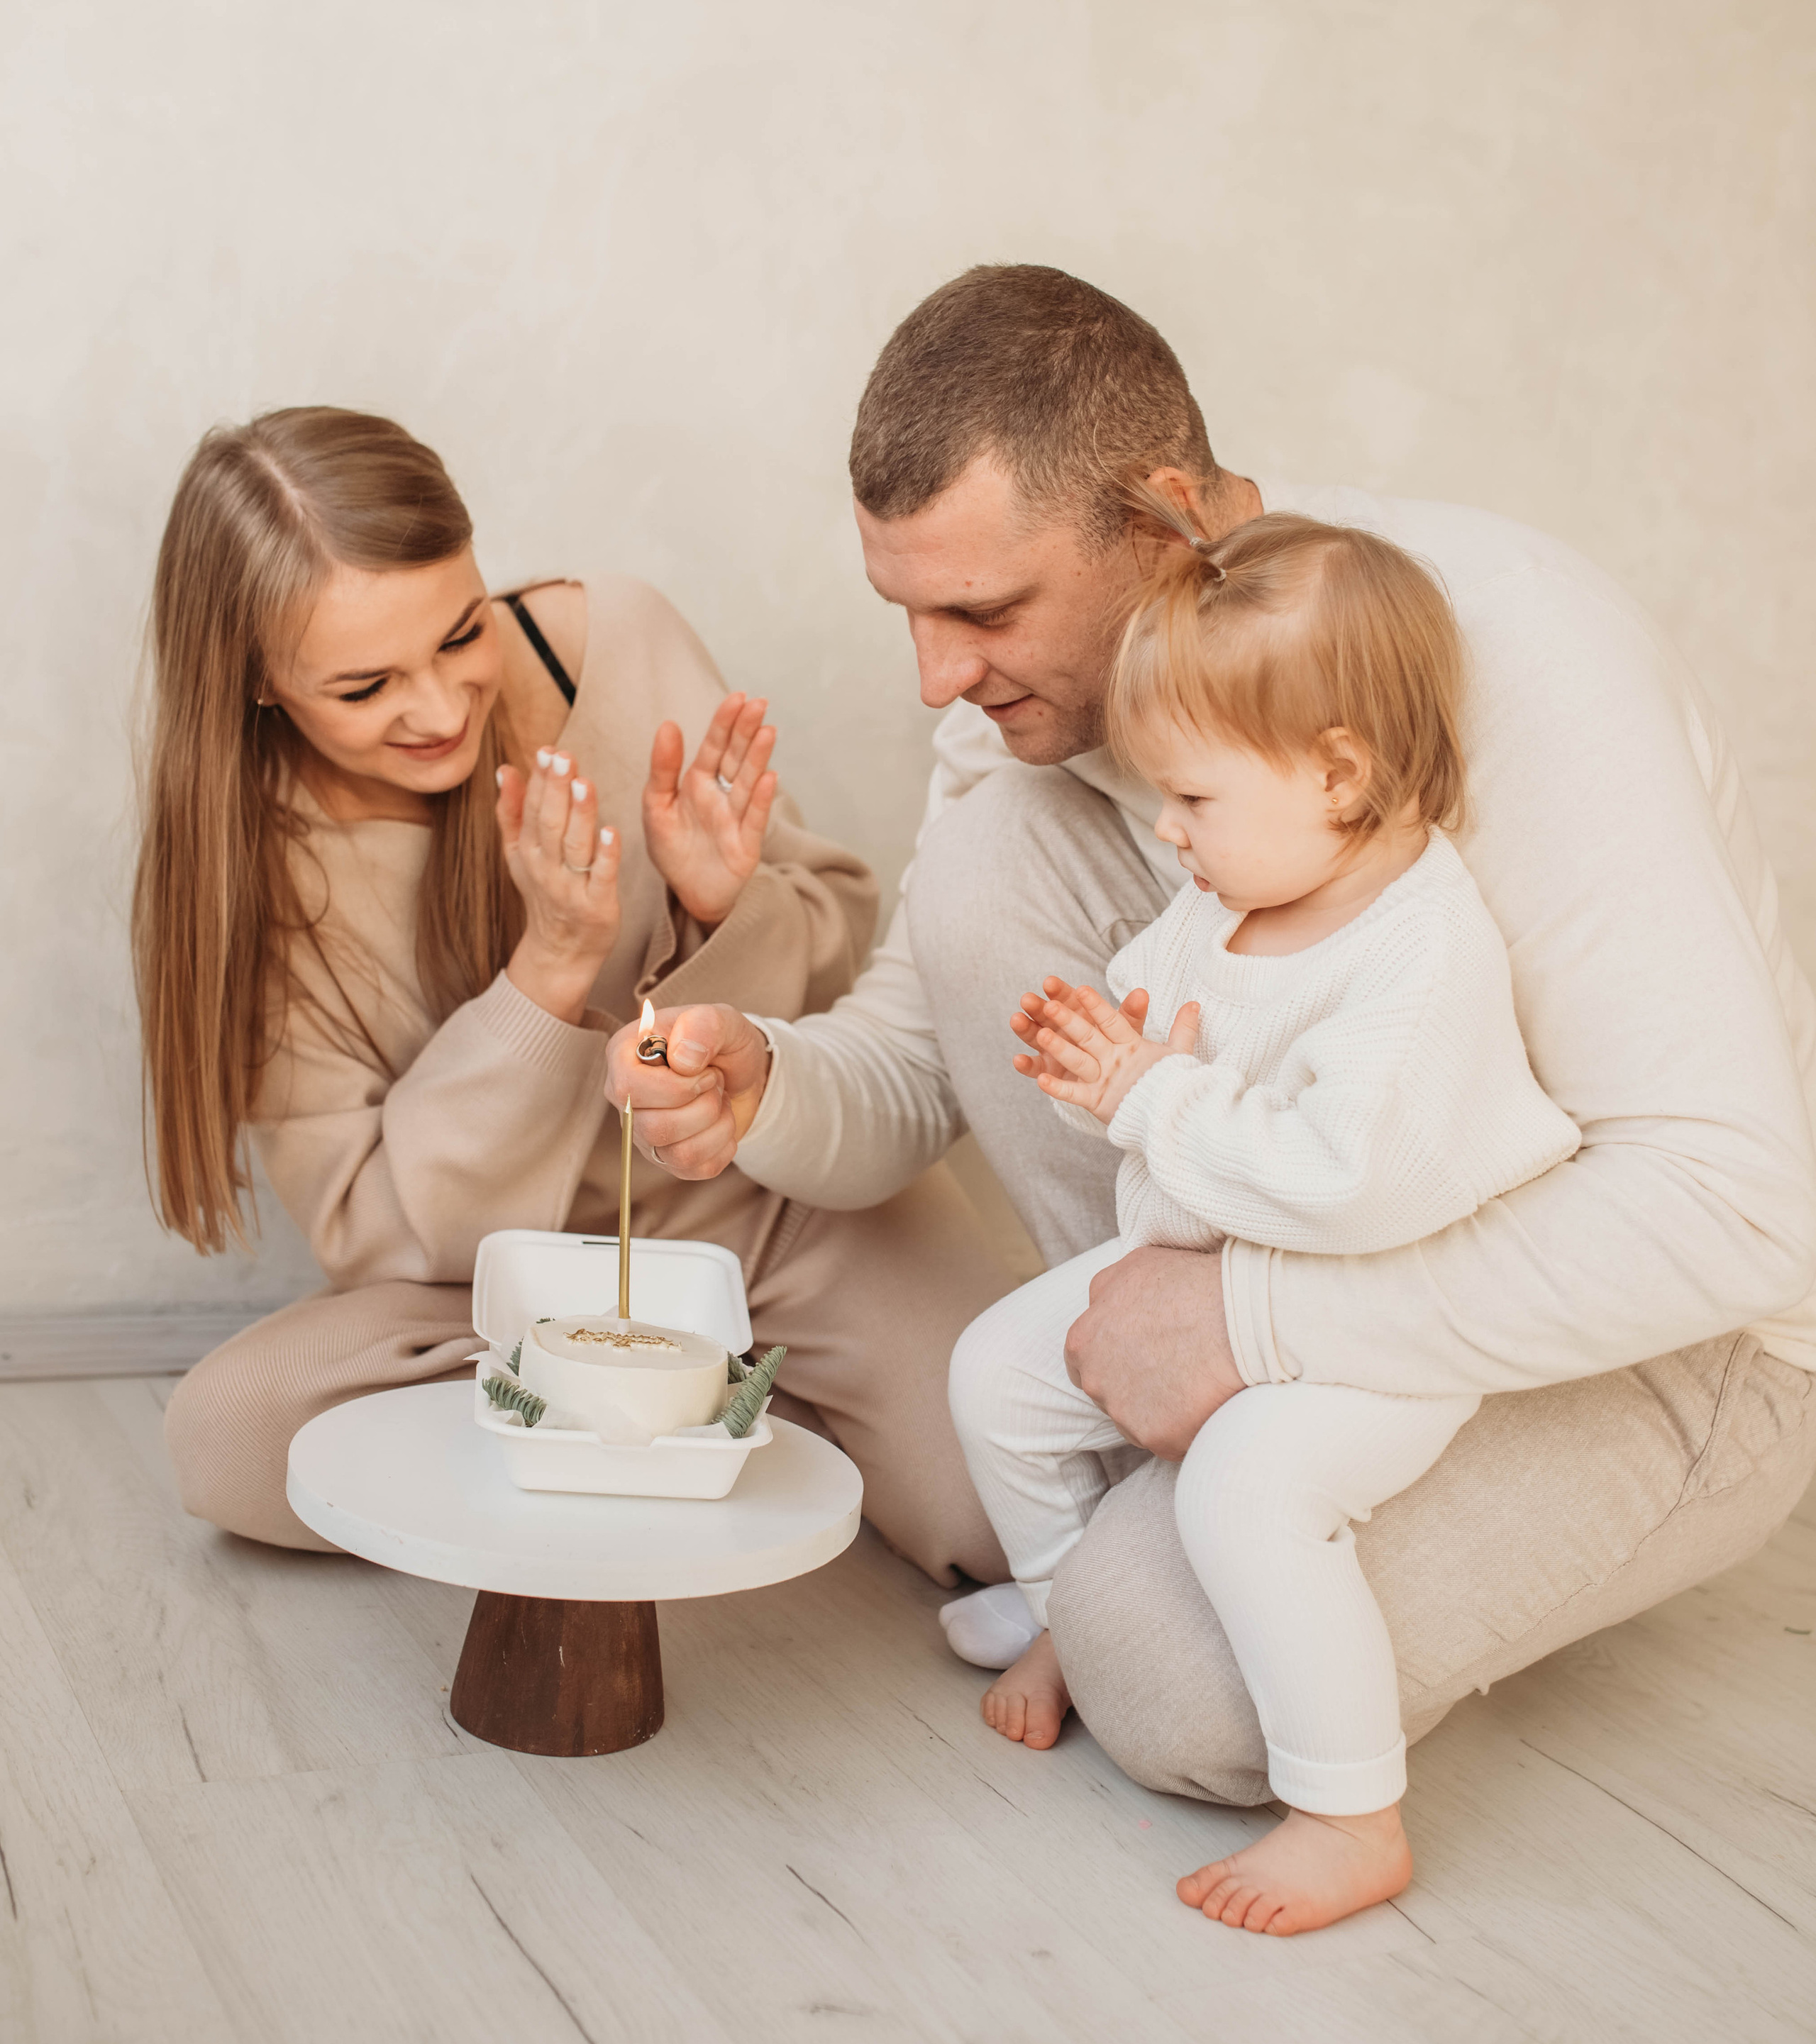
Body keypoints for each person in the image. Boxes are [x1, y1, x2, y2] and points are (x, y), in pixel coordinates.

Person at [605, 262, 1816, 1826]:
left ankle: (1192, 1526)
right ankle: (1185, 1487)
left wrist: (1254, 1321)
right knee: (987, 867)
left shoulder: (1510, 654)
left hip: (1677, 1337)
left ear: (1168, 519)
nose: (937, 679)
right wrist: (759, 1082)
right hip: (1318, 1255)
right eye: (906, 613)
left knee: (1168, 1685)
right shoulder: (1028, 717)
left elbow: (1731, 1219)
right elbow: (919, 1061)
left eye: (982, 612)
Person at [138, 406, 1011, 1579]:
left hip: (777, 1217)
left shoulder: (612, 639)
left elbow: (840, 981)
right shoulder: (256, 873)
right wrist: (544, 974)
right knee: (234, 1439)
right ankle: (701, 1427)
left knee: (1000, 1518)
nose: (442, 709)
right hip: (499, 1294)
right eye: (364, 686)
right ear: (256, 685)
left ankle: (668, 1427)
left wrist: (724, 904)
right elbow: (392, 1236)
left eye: (458, 634)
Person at [951, 507, 1579, 1934]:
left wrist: (1145, 1097)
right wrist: (1094, 1059)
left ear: (1338, 776)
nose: (1163, 832)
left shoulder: (1417, 958)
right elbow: (1158, 1057)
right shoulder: (1229, 896)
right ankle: (1062, 1613)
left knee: (1251, 1495)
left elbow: (1338, 1183)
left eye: (1192, 799)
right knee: (992, 1376)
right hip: (1225, 1265)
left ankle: (1346, 1812)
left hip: (1388, 1319)